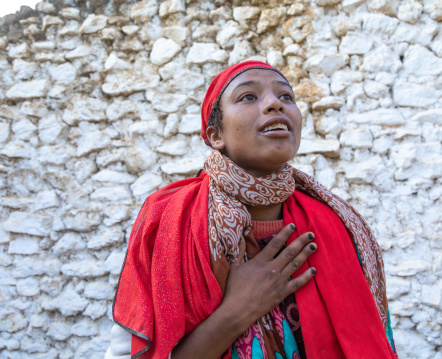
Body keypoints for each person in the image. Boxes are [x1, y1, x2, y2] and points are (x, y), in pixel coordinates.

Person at [106, 61, 397, 359]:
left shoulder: (338, 223)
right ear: (216, 135)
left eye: (286, 97)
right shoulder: (171, 222)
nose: (274, 104)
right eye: (248, 96)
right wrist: (238, 310)